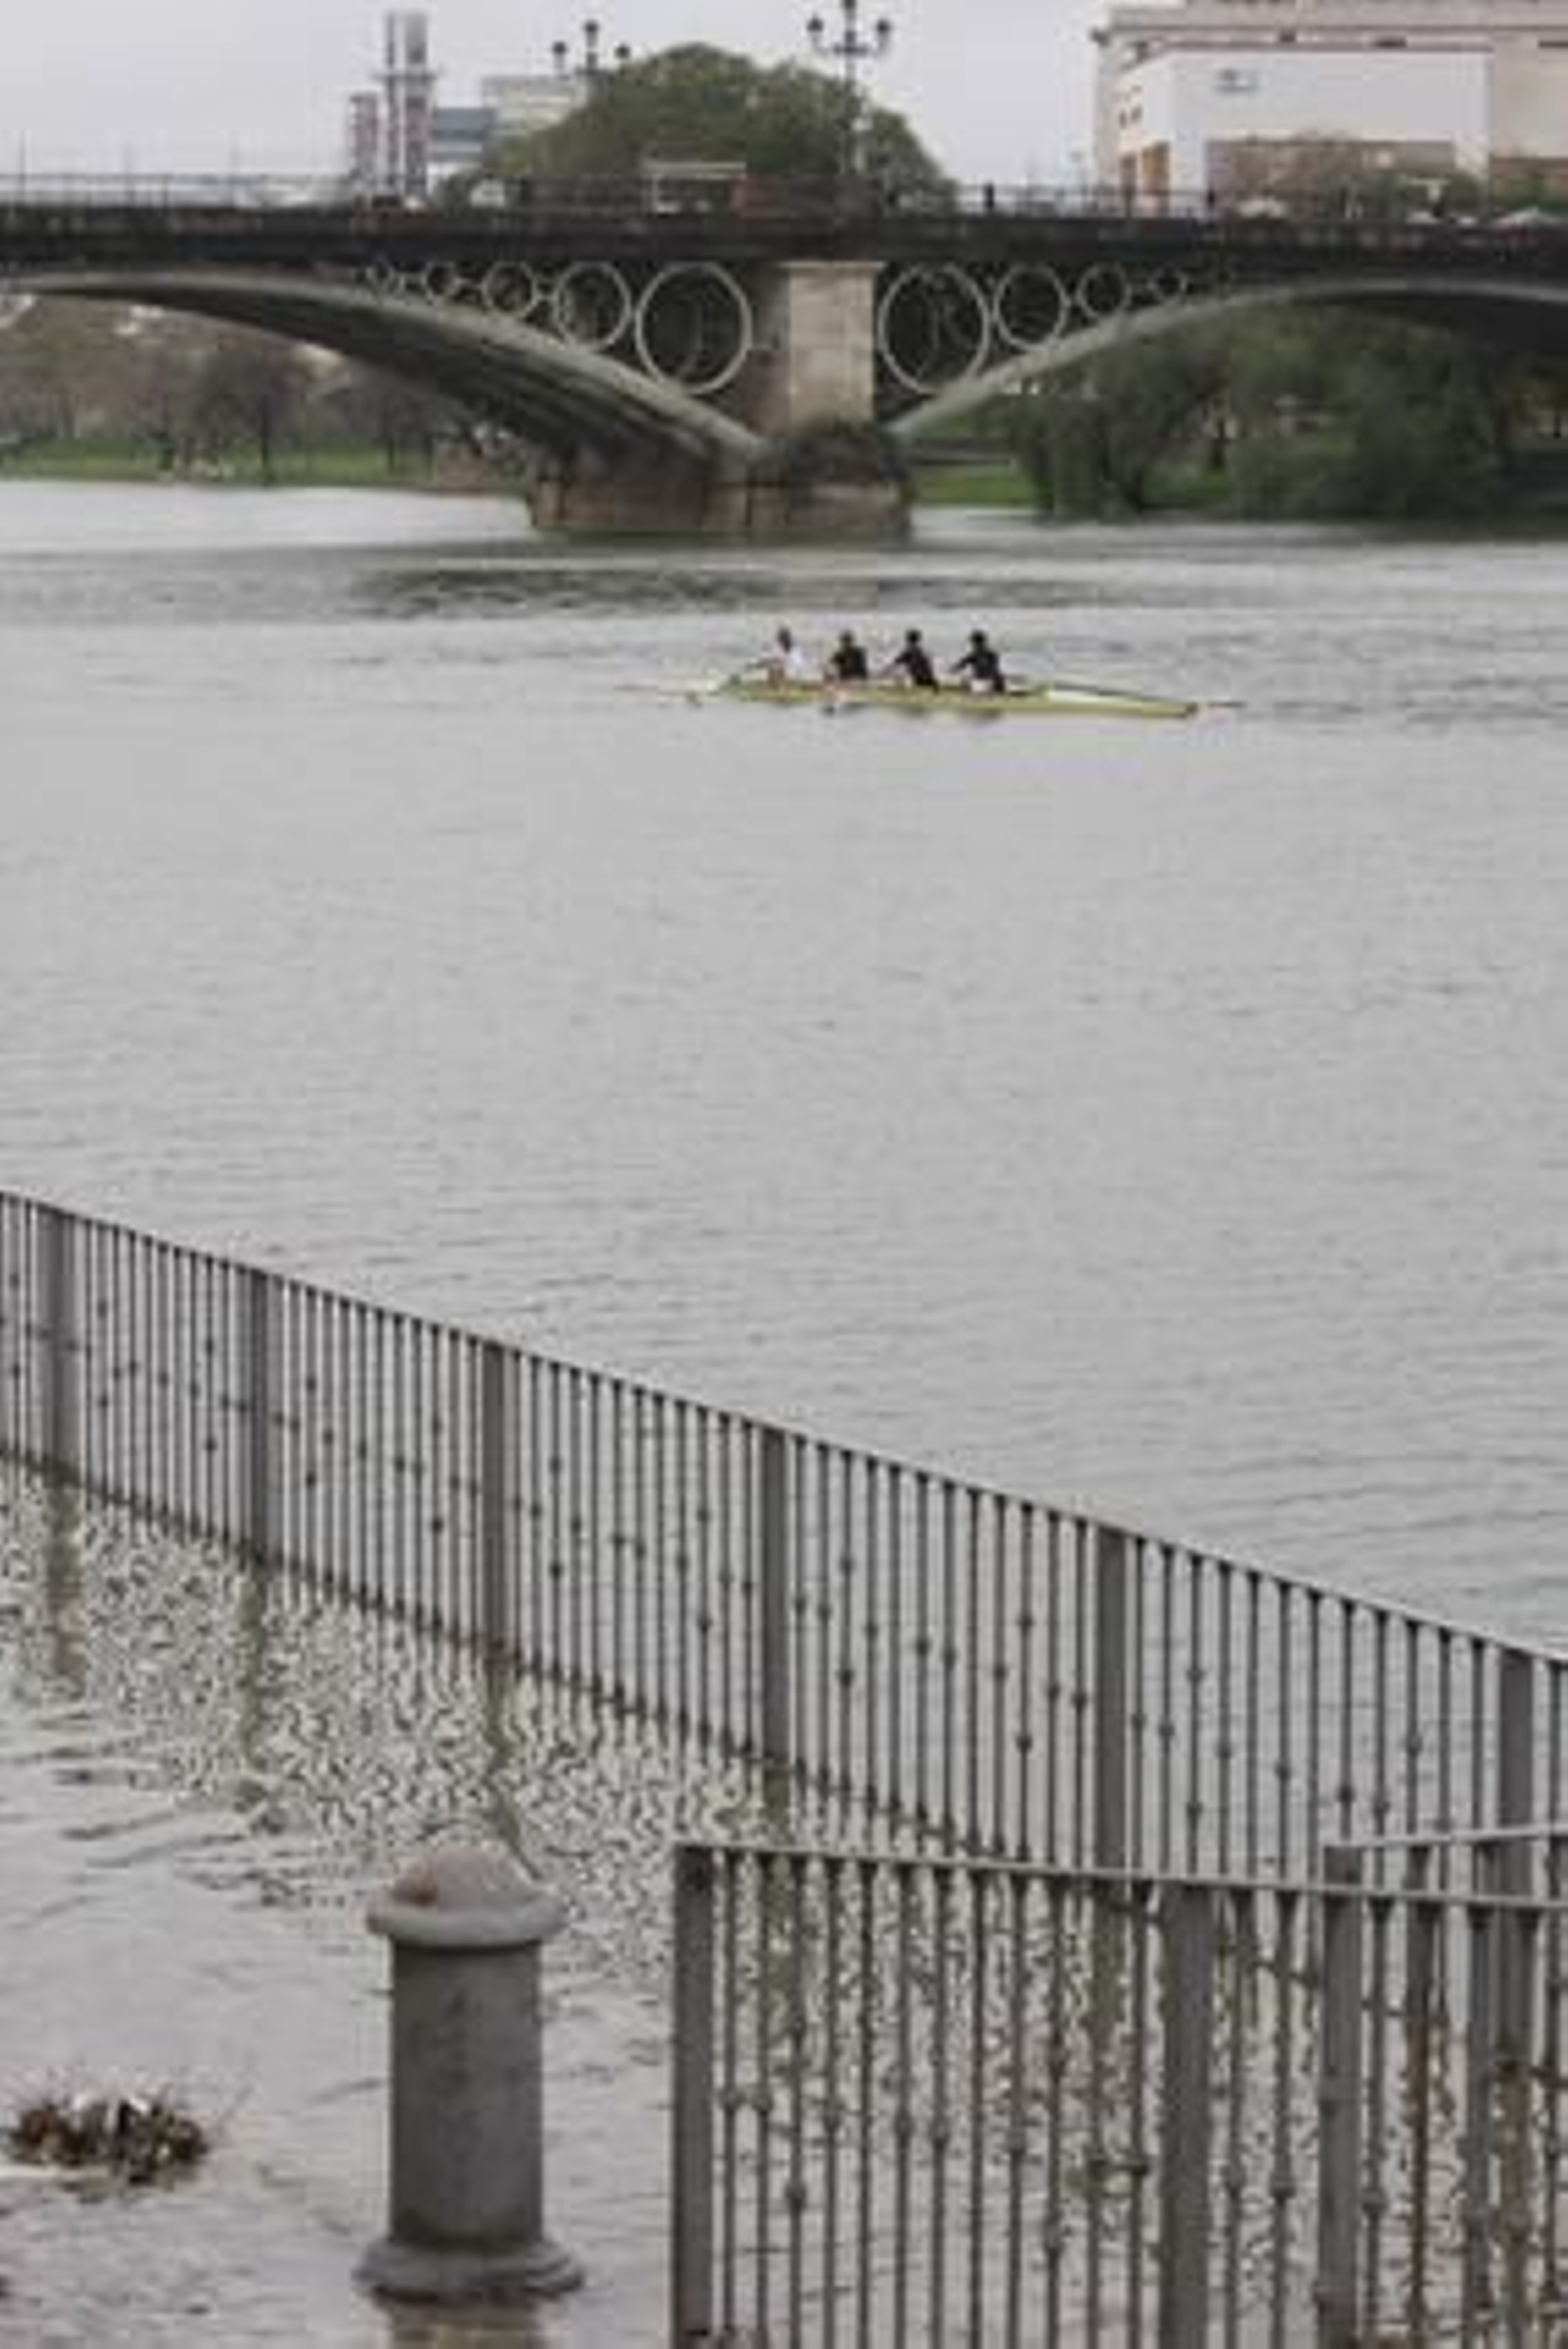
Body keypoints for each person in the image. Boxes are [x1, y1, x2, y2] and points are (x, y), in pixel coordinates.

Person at [953, 628, 1007, 696]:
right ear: (984, 642)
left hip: (976, 687)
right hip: (990, 685)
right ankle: (1000, 694)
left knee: (964, 680)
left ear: (974, 643)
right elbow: (996, 671)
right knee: (999, 677)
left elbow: (958, 667)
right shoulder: (992, 655)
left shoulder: (972, 655)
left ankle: (968, 695)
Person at [883, 627, 939, 692]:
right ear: (918, 639)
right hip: (928, 677)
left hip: (918, 679)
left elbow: (896, 662)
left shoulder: (908, 651)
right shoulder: (921, 651)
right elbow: (928, 666)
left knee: (899, 671)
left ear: (907, 639)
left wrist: (885, 670)